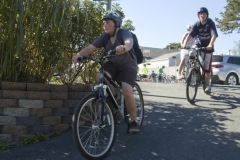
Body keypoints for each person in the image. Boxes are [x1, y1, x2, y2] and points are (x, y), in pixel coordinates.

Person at [72, 11, 140, 132]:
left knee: (126, 89)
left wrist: (124, 47)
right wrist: (78, 55)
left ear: (116, 23)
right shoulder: (104, 37)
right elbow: (89, 48)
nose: (105, 25)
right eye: (104, 22)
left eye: (108, 22)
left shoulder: (124, 33)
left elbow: (129, 43)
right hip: (113, 63)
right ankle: (113, 95)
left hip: (128, 65)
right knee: (100, 76)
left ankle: (134, 121)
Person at [182, 7, 218, 94]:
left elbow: (214, 35)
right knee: (191, 51)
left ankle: (207, 85)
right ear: (198, 15)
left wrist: (210, 44)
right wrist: (184, 44)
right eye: (200, 14)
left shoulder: (210, 23)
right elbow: (190, 35)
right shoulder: (197, 24)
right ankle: (195, 67)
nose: (202, 15)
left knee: (206, 69)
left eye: (204, 13)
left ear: (207, 15)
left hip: (208, 47)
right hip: (199, 44)